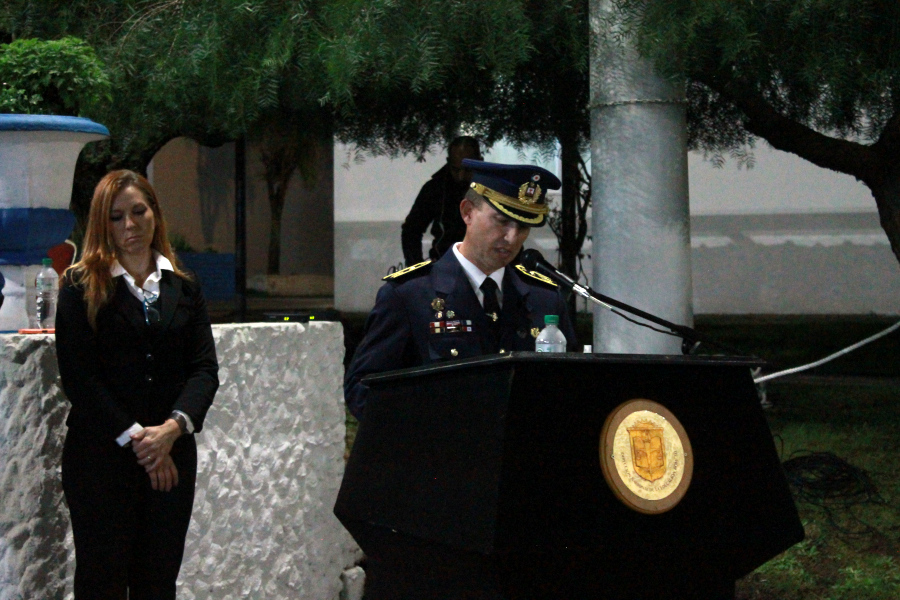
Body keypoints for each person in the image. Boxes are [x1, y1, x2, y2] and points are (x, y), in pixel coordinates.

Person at [55, 170, 219, 600]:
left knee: (157, 581)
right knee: (101, 581)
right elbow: (79, 378)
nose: (129, 225)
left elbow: (204, 369)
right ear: (101, 224)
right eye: (116, 217)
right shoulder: (79, 286)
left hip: (173, 458)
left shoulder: (184, 286)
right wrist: (141, 442)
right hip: (100, 460)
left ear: (155, 213)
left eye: (138, 211)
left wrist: (170, 430)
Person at [400, 136, 483, 266]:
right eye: (456, 169)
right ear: (449, 163)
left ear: (480, 162)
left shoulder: (493, 188)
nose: (461, 176)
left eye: (467, 169)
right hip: (445, 264)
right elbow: (412, 230)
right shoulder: (436, 188)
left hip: (486, 267)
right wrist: (416, 268)